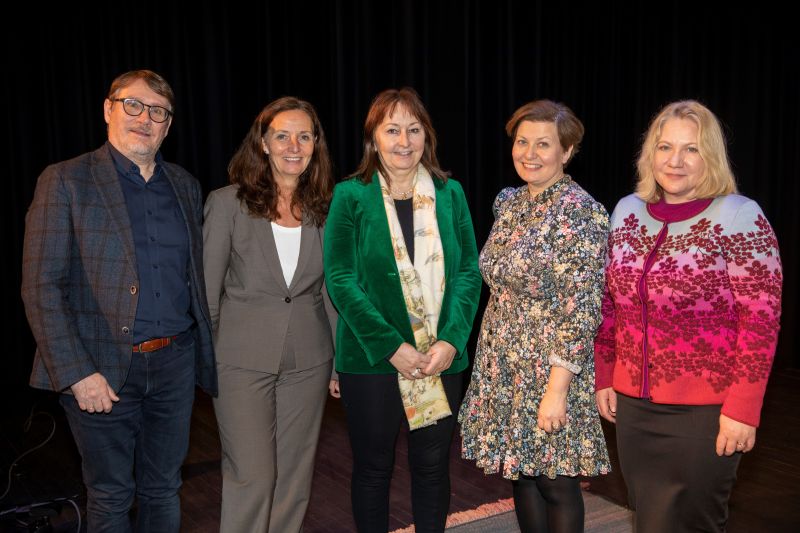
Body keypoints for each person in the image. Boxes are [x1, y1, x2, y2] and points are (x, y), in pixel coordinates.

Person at [21, 69, 216, 531]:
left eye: (157, 111)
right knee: (110, 496)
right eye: (133, 104)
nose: (144, 118)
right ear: (108, 109)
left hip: (173, 366)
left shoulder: (186, 187)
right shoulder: (65, 180)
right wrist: (76, 373)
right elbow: (40, 286)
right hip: (99, 370)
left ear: (168, 125)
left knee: (163, 488)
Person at [594, 100, 782, 532]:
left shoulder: (739, 216)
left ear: (710, 156)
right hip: (633, 409)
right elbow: (609, 305)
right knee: (648, 519)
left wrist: (743, 409)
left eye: (691, 149)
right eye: (665, 147)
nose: (674, 160)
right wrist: (606, 373)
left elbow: (761, 321)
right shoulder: (626, 211)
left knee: (690, 523)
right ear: (650, 153)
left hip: (708, 413)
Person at [324, 87, 482, 533]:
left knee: (433, 467)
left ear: (426, 137)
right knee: (373, 469)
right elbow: (340, 279)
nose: (404, 141)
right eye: (392, 129)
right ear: (373, 137)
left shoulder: (451, 194)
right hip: (371, 360)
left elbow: (469, 271)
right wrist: (391, 346)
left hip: (440, 357)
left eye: (414, 130)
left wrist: (452, 339)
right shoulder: (350, 196)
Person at [459, 100, 611, 533]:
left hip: (551, 368)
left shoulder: (580, 213)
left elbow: (583, 306)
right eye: (522, 142)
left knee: (556, 482)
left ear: (567, 152)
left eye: (543, 144)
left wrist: (557, 390)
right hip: (505, 364)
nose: (529, 152)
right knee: (522, 475)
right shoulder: (509, 203)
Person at [203, 97, 336, 532]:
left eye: (304, 136)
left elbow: (331, 292)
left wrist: (337, 360)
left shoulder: (327, 208)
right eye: (282, 135)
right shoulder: (226, 205)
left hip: (310, 359)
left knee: (295, 476)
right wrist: (209, 358)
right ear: (263, 142)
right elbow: (207, 292)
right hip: (240, 360)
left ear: (316, 145)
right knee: (252, 475)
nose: (293, 145)